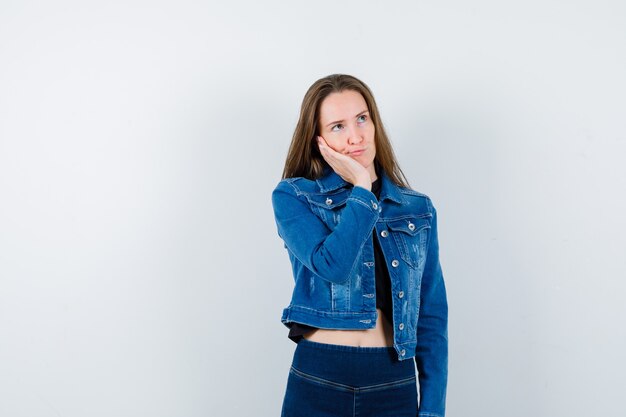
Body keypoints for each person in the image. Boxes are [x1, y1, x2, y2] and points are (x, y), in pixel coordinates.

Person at [271, 74, 448, 417]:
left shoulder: (417, 209)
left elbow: (431, 316)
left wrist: (432, 409)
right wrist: (363, 189)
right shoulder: (295, 197)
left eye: (362, 118)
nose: (356, 136)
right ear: (318, 139)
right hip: (320, 378)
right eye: (337, 126)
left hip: (392, 382)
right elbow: (333, 266)